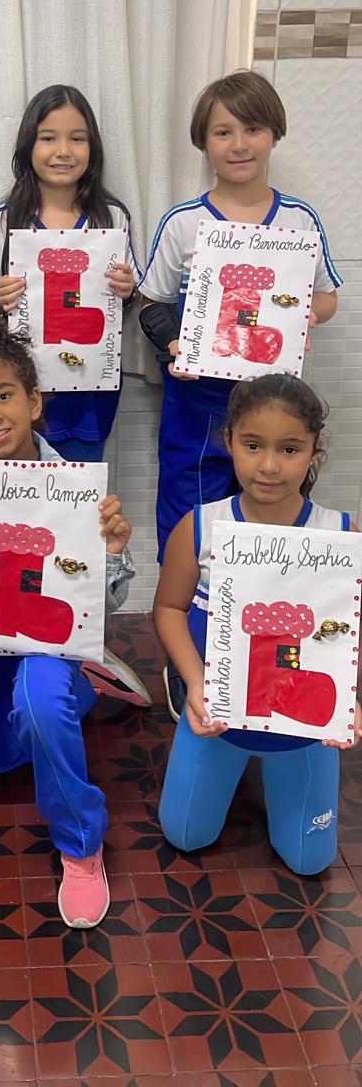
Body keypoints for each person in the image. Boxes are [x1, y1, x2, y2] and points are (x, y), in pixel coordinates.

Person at [0, 319, 136, 929]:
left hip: (48, 642)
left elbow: (104, 601)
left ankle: (81, 847)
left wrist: (113, 552)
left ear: (34, 401)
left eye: (4, 395)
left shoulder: (76, 487)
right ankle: (88, 688)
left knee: (38, 703)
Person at [138, 69, 342, 719]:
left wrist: (301, 311)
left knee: (271, 527)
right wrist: (174, 341)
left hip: (274, 406)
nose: (238, 143)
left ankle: (256, 665)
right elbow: (149, 303)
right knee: (190, 530)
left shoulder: (300, 220)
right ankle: (189, 666)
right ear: (204, 142)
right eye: (223, 131)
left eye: (251, 128)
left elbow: (328, 297)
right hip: (197, 409)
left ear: (273, 133)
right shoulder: (183, 223)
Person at [154, 373, 360, 875]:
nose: (269, 466)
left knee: (311, 861)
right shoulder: (199, 526)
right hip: (216, 722)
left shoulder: (340, 534)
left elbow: (353, 627)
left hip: (303, 731)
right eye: (253, 445)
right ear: (228, 442)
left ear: (314, 451)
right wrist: (195, 683)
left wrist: (350, 697)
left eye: (289, 449)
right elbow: (169, 609)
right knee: (185, 835)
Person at [0, 84, 138, 463]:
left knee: (79, 482)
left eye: (77, 139)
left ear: (92, 148)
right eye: (48, 138)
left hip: (90, 388)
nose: (63, 151)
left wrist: (127, 289)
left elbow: (129, 300)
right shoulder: (4, 218)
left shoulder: (112, 216)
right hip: (22, 384)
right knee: (20, 480)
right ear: (28, 145)